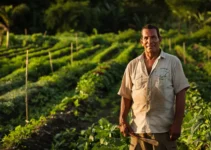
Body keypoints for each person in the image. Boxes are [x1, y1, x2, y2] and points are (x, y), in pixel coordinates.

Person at [118, 24, 189, 150]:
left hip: (163, 130)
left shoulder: (172, 62)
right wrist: (122, 120)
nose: (149, 41)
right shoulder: (133, 65)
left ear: (159, 39)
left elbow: (181, 93)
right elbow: (126, 95)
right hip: (138, 130)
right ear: (141, 41)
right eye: (146, 38)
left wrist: (178, 123)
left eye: (153, 37)